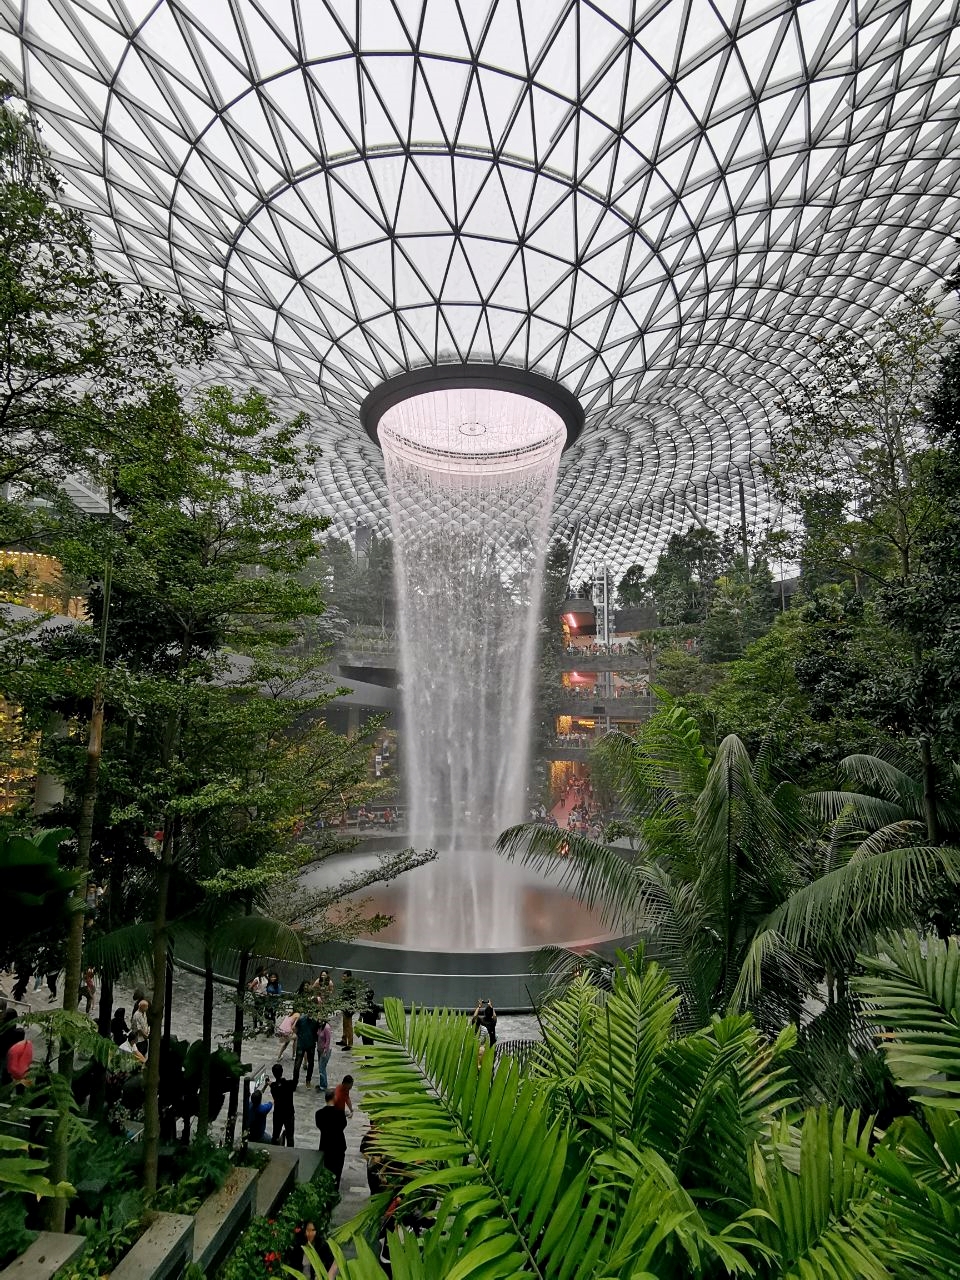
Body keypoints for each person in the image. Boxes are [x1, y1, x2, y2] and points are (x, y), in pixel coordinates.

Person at [315, 1088, 348, 1188]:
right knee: (337, 1173)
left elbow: (319, 1126)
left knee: (326, 1172)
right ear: (334, 1098)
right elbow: (343, 1125)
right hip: (338, 1147)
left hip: (325, 1146)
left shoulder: (319, 1114)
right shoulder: (340, 1113)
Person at [269, 1063, 295, 1146]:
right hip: (289, 1113)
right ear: (282, 1071)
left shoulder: (274, 1088)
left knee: (275, 1134)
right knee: (290, 1137)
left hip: (278, 1114)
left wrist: (270, 1084)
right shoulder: (290, 1084)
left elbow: (275, 1086)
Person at [293, 1008, 318, 1087]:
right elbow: (295, 1029)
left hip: (310, 1045)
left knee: (311, 1063)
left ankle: (308, 1080)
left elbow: (316, 1033)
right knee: (297, 1064)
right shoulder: (301, 1019)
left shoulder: (315, 1022)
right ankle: (295, 1082)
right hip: (301, 1044)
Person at [337, 970, 358, 1050]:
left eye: (344, 977)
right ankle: (344, 1039)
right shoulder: (346, 984)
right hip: (345, 1007)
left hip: (349, 1008)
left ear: (349, 977)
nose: (343, 978)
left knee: (348, 1026)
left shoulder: (350, 986)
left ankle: (350, 1043)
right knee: (344, 1024)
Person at [248, 966, 268, 1032]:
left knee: (261, 1011)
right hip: (258, 996)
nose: (266, 971)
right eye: (264, 970)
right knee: (256, 1011)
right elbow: (250, 987)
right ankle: (255, 1026)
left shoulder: (266, 977)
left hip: (264, 997)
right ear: (261, 971)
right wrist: (255, 991)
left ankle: (260, 1025)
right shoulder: (257, 979)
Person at [315, 1017, 332, 1091]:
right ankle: (322, 1083)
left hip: (324, 1051)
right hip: (319, 1049)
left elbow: (328, 1040)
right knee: (320, 1067)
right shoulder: (319, 1027)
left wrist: (325, 1050)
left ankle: (324, 1085)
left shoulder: (327, 1028)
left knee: (322, 1068)